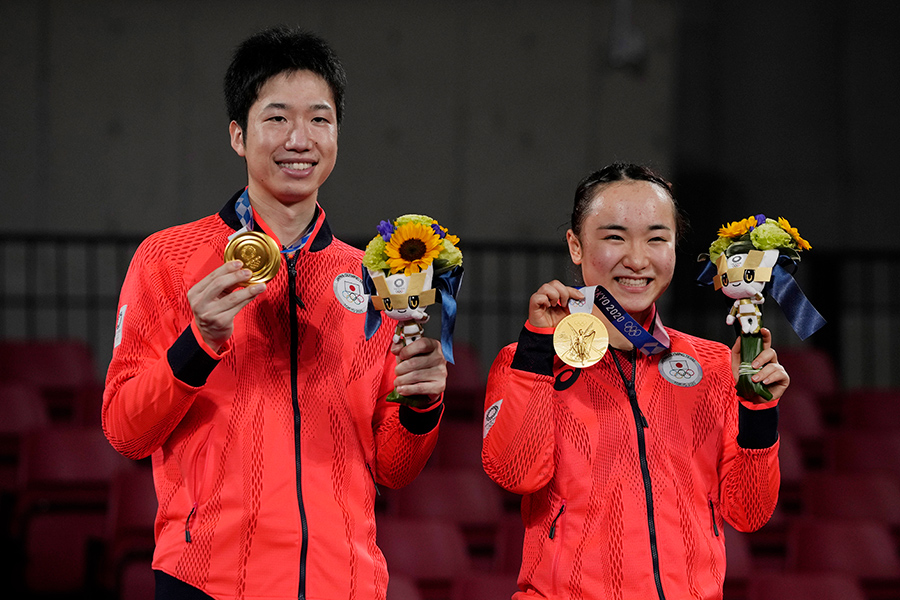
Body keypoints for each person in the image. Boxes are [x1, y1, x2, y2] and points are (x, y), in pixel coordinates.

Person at [102, 26, 447, 600]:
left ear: (338, 134)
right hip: (207, 581)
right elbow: (124, 431)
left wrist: (421, 405)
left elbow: (392, 467)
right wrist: (199, 342)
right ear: (238, 135)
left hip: (348, 584)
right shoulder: (167, 258)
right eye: (277, 118)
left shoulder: (377, 274)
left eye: (319, 119)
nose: (300, 138)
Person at [481, 163, 788, 600]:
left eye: (657, 238)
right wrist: (537, 349)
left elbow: (750, 512)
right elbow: (516, 473)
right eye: (614, 236)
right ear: (575, 244)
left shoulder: (717, 364)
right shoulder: (526, 360)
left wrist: (758, 409)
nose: (638, 259)